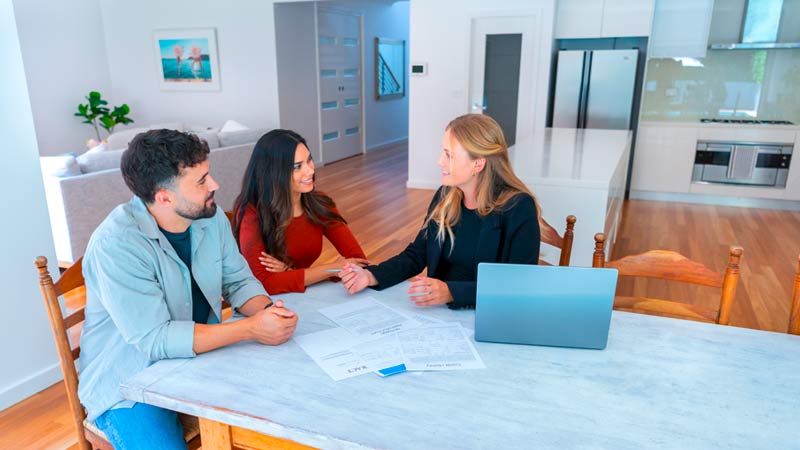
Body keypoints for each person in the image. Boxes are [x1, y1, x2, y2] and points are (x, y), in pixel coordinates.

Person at [79, 130, 298, 449]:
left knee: (281, 415)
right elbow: (155, 339)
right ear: (164, 198)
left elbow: (238, 281)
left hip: (201, 360)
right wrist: (251, 328)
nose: (215, 185)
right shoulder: (115, 245)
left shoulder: (210, 217)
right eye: (201, 181)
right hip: (128, 381)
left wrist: (268, 312)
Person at [340, 114, 541, 309]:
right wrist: (371, 275)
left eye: (449, 155)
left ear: (478, 164)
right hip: (441, 314)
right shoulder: (446, 196)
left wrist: (452, 292)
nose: (440, 161)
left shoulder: (518, 207)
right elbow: (417, 254)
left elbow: (518, 285)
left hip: (489, 315)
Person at [232, 129, 368, 295]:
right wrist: (332, 269)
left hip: (302, 295)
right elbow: (264, 283)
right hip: (264, 302)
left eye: (309, 160)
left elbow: (360, 262)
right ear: (274, 173)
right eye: (297, 166)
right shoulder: (250, 213)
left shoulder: (319, 204)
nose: (310, 170)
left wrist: (290, 272)